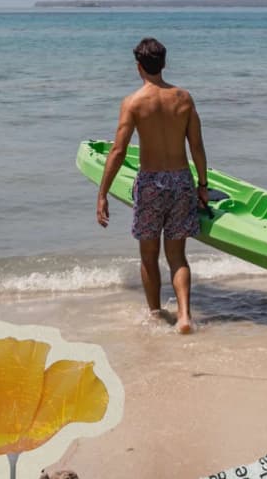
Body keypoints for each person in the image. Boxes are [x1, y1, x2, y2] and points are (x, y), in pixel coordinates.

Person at [96, 37, 208, 334]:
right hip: (181, 180)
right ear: (164, 63)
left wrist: (103, 193)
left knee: (148, 255)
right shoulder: (184, 98)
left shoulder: (133, 103)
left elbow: (118, 151)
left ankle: (156, 314)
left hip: (150, 184)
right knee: (177, 256)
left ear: (138, 67)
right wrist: (203, 184)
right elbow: (196, 146)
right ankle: (184, 316)